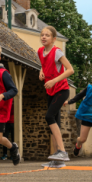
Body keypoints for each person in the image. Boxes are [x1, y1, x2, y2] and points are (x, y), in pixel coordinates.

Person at [38, 26, 74, 168]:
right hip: (50, 91)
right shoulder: (40, 51)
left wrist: (54, 80)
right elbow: (44, 64)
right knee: (54, 124)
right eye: (42, 35)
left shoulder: (57, 52)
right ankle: (58, 161)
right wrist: (41, 71)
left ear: (54, 39)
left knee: (49, 117)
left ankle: (63, 153)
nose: (44, 37)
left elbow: (70, 70)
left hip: (61, 90)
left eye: (47, 35)